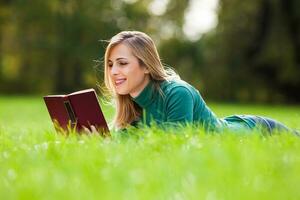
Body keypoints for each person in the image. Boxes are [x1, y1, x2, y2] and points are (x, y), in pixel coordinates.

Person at [102, 30, 298, 135]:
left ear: (146, 66)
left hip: (257, 131)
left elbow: (177, 135)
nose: (114, 72)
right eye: (110, 65)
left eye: (122, 63)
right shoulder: (132, 105)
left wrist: (123, 136)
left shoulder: (178, 92)